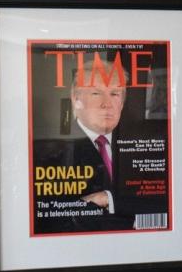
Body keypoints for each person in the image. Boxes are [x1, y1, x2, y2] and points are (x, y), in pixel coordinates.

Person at [33, 59, 166, 233]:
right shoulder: (51, 153)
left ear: (122, 102)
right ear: (76, 98)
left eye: (115, 94)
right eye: (96, 93)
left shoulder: (147, 146)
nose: (107, 104)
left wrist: (109, 200)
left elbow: (169, 203)